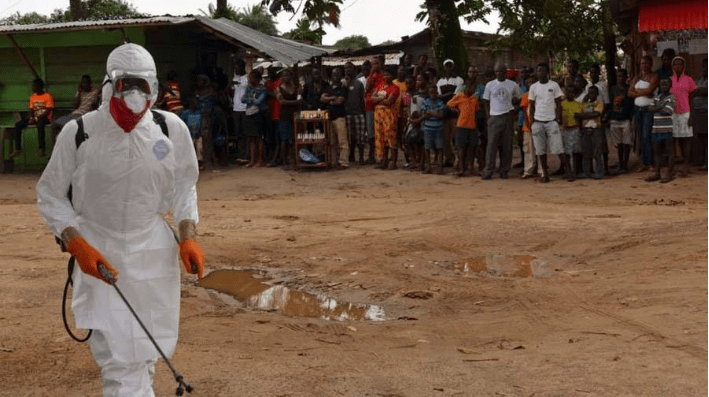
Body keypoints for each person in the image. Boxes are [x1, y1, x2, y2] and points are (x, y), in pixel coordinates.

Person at [36, 43, 204, 396]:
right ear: (109, 85)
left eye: (142, 87)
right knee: (116, 358)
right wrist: (75, 241)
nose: (132, 98)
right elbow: (50, 193)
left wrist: (187, 233)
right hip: (100, 254)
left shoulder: (170, 130)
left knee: (147, 349)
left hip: (153, 254)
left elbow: (185, 184)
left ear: (153, 90)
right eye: (125, 85)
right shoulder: (79, 133)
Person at [482, 63, 522, 179]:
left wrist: (515, 107)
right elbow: (486, 101)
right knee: (491, 145)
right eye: (497, 71)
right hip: (494, 117)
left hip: (507, 116)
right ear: (495, 72)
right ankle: (488, 170)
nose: (499, 73)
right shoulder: (490, 85)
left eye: (501, 71)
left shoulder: (512, 85)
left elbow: (520, 98)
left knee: (506, 145)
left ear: (506, 72)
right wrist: (488, 116)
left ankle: (504, 170)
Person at [529, 62, 568, 183]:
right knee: (540, 150)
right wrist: (531, 122)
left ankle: (569, 172)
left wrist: (558, 117)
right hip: (538, 121)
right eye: (539, 71)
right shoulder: (533, 87)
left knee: (559, 148)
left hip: (551, 121)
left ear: (547, 73)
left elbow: (558, 103)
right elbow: (531, 105)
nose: (541, 73)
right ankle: (545, 174)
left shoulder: (554, 85)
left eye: (543, 71)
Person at [629, 55, 660, 171]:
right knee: (641, 136)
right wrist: (643, 92)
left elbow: (650, 91)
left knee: (647, 135)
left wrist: (637, 91)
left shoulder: (654, 76)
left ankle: (651, 162)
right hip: (638, 109)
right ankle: (644, 162)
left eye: (646, 63)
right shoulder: (637, 77)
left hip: (648, 109)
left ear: (651, 64)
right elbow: (629, 93)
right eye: (642, 63)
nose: (644, 65)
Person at [11, 78, 54, 158]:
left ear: (39, 86)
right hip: (35, 117)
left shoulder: (47, 96)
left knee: (40, 123)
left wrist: (38, 117)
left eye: (34, 86)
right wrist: (31, 117)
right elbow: (31, 109)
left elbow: (48, 110)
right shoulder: (32, 97)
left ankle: (41, 148)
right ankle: (18, 148)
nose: (32, 87)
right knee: (18, 125)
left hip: (45, 118)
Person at [447, 77, 481, 176]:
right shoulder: (459, 96)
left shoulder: (474, 98)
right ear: (467, 88)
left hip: (472, 126)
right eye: (472, 88)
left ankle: (471, 167)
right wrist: (456, 111)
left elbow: (477, 110)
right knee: (461, 148)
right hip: (461, 125)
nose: (473, 90)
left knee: (472, 148)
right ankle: (461, 169)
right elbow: (449, 105)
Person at [669, 56, 696, 177]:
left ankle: (686, 164)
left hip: (686, 113)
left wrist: (691, 116)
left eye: (680, 64)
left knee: (687, 139)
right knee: (678, 139)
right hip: (674, 113)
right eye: (675, 65)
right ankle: (676, 166)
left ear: (683, 66)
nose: (677, 67)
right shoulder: (670, 80)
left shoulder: (689, 80)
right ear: (672, 66)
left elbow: (692, 98)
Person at [51, 75, 100, 139]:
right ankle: (56, 147)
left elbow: (97, 105)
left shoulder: (95, 92)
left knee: (71, 127)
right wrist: (79, 93)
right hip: (75, 114)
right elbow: (75, 106)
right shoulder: (80, 91)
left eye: (86, 82)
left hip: (85, 116)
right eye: (83, 83)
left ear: (90, 83)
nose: (84, 85)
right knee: (54, 125)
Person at [646, 78, 675, 183]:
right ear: (659, 86)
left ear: (670, 86)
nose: (664, 86)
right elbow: (649, 108)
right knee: (657, 153)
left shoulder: (671, 97)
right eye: (662, 84)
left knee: (669, 152)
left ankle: (669, 174)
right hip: (656, 129)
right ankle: (657, 173)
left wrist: (656, 108)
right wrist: (660, 107)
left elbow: (667, 111)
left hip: (667, 129)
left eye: (666, 84)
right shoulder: (657, 97)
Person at [371, 67, 400, 169]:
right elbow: (371, 99)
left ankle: (393, 161)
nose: (386, 77)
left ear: (392, 76)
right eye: (384, 75)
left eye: (388, 75)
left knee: (390, 137)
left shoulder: (395, 88)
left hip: (389, 114)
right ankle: (383, 160)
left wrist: (378, 99)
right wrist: (382, 98)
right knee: (380, 137)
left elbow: (389, 102)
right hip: (378, 114)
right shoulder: (380, 86)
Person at [321, 67, 349, 169]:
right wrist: (332, 98)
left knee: (342, 141)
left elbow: (340, 101)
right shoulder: (328, 87)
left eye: (337, 74)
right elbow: (322, 98)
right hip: (329, 118)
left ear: (341, 76)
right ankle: (333, 162)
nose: (335, 76)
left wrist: (329, 100)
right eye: (333, 74)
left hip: (339, 117)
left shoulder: (343, 88)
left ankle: (344, 162)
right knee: (332, 142)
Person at [575, 85, 605, 180]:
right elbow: (577, 115)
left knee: (597, 152)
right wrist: (588, 115)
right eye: (589, 92)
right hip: (585, 129)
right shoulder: (583, 104)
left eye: (593, 93)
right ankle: (586, 172)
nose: (591, 95)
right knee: (586, 152)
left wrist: (583, 115)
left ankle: (599, 172)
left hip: (596, 129)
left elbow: (597, 114)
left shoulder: (599, 103)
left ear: (597, 94)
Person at [608, 69, 635, 173]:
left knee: (626, 143)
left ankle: (625, 164)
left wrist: (632, 117)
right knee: (619, 144)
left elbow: (632, 104)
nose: (620, 78)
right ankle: (620, 164)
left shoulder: (629, 89)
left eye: (622, 76)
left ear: (626, 77)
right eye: (619, 76)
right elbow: (609, 104)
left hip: (626, 119)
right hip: (615, 119)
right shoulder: (612, 89)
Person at [274, 68, 301, 169]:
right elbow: (281, 102)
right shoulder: (279, 88)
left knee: (294, 139)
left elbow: (299, 100)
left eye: (287, 75)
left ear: (291, 77)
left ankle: (294, 160)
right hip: (284, 116)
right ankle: (284, 161)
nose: (286, 77)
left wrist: (289, 102)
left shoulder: (296, 88)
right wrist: (295, 103)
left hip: (294, 116)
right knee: (284, 139)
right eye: (284, 75)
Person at [241, 70, 268, 167]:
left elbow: (259, 102)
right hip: (249, 113)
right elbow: (242, 99)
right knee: (251, 138)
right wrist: (252, 99)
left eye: (251, 78)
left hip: (258, 114)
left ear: (257, 79)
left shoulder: (263, 89)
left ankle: (260, 160)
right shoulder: (249, 88)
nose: (249, 80)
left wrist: (250, 99)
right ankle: (252, 160)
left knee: (259, 138)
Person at [343, 62, 366, 164]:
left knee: (360, 137)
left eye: (350, 68)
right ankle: (351, 155)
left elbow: (362, 99)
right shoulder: (342, 83)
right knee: (349, 137)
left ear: (354, 69)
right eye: (346, 68)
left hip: (358, 113)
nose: (348, 70)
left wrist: (363, 114)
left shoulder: (359, 83)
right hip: (347, 113)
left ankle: (361, 157)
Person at [404, 73, 428, 171]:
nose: (417, 82)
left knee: (422, 142)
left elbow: (427, 110)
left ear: (425, 82)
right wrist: (410, 118)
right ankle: (413, 161)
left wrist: (419, 119)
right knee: (408, 140)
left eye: (420, 80)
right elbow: (409, 106)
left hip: (423, 121)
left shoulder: (427, 95)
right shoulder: (414, 93)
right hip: (412, 121)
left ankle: (421, 162)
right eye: (417, 80)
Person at [420, 83, 446, 174]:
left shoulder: (440, 102)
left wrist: (431, 114)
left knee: (440, 147)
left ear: (437, 93)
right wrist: (435, 115)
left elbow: (442, 115)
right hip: (428, 127)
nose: (433, 94)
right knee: (427, 147)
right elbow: (423, 114)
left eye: (434, 92)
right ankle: (429, 166)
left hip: (438, 127)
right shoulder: (426, 101)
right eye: (431, 92)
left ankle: (440, 166)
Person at [560, 84, 584, 180]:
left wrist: (581, 129)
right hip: (565, 129)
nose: (570, 94)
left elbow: (581, 118)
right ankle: (568, 171)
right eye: (568, 92)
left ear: (575, 94)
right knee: (566, 152)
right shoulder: (562, 104)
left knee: (576, 151)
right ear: (565, 93)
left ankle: (576, 171)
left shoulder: (578, 104)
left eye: (572, 92)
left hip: (576, 129)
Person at [365, 57, 385, 164]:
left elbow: (382, 91)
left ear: (381, 64)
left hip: (380, 107)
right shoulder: (370, 77)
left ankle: (381, 156)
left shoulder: (384, 76)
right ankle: (371, 155)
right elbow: (367, 89)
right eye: (372, 64)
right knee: (371, 133)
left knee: (380, 132)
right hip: (369, 107)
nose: (375, 65)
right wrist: (371, 74)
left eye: (376, 63)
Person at [519, 75, 538, 179]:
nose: (530, 84)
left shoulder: (539, 94)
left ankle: (540, 170)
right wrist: (527, 123)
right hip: (528, 126)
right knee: (528, 148)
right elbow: (524, 110)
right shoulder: (525, 96)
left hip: (539, 123)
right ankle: (528, 170)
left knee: (539, 148)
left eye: (532, 82)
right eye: (528, 82)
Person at [690, 58, 707, 169]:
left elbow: (703, 91)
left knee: (707, 138)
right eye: (704, 66)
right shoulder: (699, 79)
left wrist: (699, 91)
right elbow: (692, 90)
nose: (705, 69)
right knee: (699, 137)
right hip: (697, 110)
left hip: (707, 111)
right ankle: (701, 160)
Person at [231, 60, 249, 161]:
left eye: (237, 68)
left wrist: (236, 82)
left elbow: (245, 87)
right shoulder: (235, 78)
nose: (235, 70)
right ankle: (241, 154)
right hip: (236, 109)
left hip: (245, 109)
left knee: (246, 132)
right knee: (238, 133)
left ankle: (247, 155)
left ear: (242, 67)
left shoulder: (247, 78)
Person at [181, 98, 204, 169]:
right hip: (189, 134)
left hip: (198, 134)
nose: (194, 105)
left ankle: (200, 164)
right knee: (190, 150)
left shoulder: (198, 112)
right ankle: (191, 165)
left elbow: (202, 122)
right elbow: (182, 122)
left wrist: (201, 131)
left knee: (199, 149)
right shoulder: (186, 113)